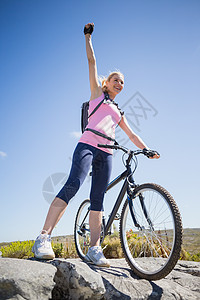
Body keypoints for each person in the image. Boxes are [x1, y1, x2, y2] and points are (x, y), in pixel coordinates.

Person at [32, 23, 160, 267]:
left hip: (107, 152)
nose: (119, 83)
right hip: (87, 145)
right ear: (106, 83)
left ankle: (93, 248)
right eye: (116, 80)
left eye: (122, 82)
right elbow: (92, 63)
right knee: (73, 184)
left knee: (98, 199)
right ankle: (43, 237)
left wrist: (146, 149)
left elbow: (132, 135)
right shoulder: (96, 95)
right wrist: (88, 38)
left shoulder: (118, 111)